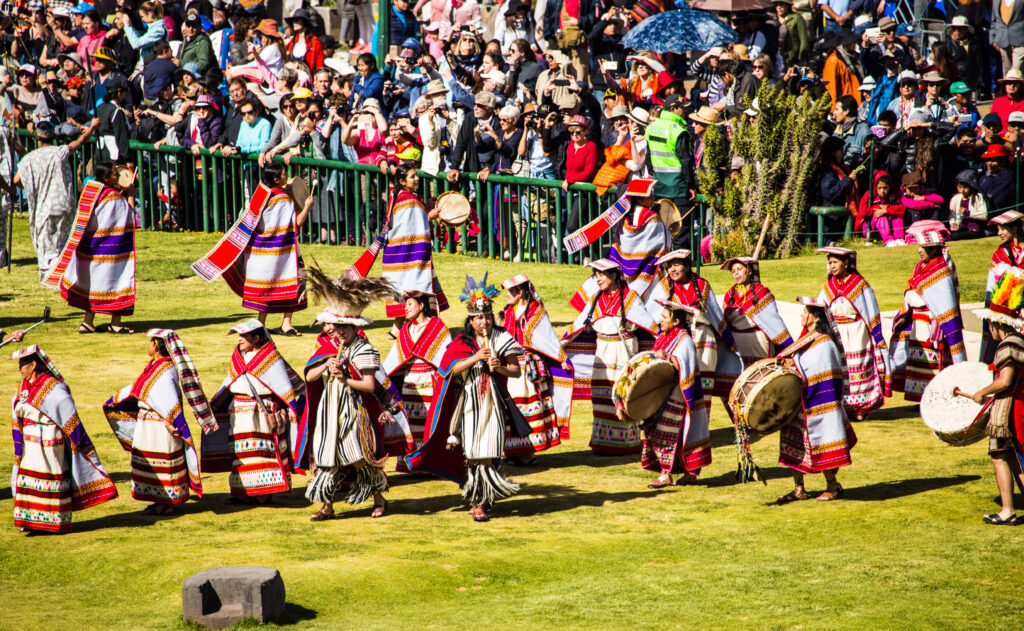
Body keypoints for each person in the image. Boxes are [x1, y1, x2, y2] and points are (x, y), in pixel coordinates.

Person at [405, 275, 525, 522]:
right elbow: (447, 369)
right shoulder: (462, 341)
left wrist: (499, 366)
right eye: (480, 317)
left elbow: (516, 370)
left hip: (493, 402)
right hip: (469, 402)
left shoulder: (502, 338)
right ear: (471, 319)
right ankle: (477, 499)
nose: (485, 321)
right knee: (472, 453)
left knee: (489, 451)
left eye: (488, 316)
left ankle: (482, 500)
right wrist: (475, 357)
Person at [300, 269, 411, 521]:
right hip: (330, 410)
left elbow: (370, 385)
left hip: (354, 411)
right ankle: (327, 507)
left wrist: (345, 379)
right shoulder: (329, 349)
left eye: (344, 327)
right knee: (326, 458)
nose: (339, 332)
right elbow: (308, 377)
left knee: (361, 458)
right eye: (336, 327)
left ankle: (380, 499)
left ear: (353, 327)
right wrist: (325, 366)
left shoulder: (364, 350)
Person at [102, 329, 217, 515]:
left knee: (164, 464)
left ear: (156, 345)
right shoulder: (154, 366)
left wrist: (170, 422)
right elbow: (140, 388)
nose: (148, 345)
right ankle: (157, 500)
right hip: (148, 422)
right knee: (151, 463)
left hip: (161, 425)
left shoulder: (166, 369)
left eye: (150, 342)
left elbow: (169, 399)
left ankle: (169, 502)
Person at [191, 163, 313, 336]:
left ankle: (260, 323)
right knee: (294, 280)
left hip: (260, 252)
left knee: (268, 287)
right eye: (284, 174)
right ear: (276, 179)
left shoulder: (260, 195)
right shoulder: (282, 199)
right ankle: (286, 323)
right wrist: (307, 207)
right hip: (283, 251)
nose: (287, 176)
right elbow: (295, 226)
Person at [10, 345, 118, 533]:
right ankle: (30, 520)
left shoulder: (52, 387)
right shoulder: (23, 388)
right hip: (31, 443)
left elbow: (65, 409)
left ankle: (51, 521)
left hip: (50, 441)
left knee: (49, 479)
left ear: (33, 365)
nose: (19, 369)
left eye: (22, 365)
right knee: (29, 478)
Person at [202, 320, 305, 503]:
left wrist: (291, 408)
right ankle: (242, 492)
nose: (239, 340)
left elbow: (283, 385)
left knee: (261, 451)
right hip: (240, 412)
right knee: (240, 453)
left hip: (261, 413)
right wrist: (214, 405)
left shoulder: (270, 357)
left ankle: (263, 495)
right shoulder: (238, 357)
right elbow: (229, 382)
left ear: (256, 338)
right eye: (239, 336)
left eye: (244, 336)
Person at [562, 259, 658, 454]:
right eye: (595, 274)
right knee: (602, 395)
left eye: (602, 274)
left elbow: (650, 325)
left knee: (624, 394)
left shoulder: (630, 298)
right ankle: (603, 442)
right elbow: (577, 326)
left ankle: (628, 443)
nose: (597, 278)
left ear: (614, 275)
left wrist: (667, 345)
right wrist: (559, 347)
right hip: (603, 355)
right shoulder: (596, 299)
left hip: (624, 353)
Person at [775, 298, 857, 504]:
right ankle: (798, 489)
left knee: (821, 444)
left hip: (819, 404)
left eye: (805, 312)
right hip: (800, 402)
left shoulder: (824, 343)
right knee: (794, 444)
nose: (802, 315)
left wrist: (794, 368)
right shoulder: (806, 339)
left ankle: (833, 486)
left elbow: (820, 372)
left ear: (815, 317)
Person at [41, 162, 136, 334]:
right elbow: (127, 220)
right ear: (106, 178)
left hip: (89, 249)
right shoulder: (114, 198)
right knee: (115, 282)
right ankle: (115, 323)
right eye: (115, 174)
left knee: (93, 286)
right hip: (110, 250)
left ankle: (88, 322)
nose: (118, 176)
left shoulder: (92, 192)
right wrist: (130, 196)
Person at [954, 301, 1024, 526]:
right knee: (1015, 458)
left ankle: (1007, 510)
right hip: (1017, 405)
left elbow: (1005, 381)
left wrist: (981, 392)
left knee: (1000, 456)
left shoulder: (1007, 346)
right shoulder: (1020, 341)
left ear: (997, 324)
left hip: (1009, 409)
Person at [645, 250, 741, 406]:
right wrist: (660, 335)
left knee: (703, 386)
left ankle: (701, 428)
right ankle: (680, 428)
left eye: (676, 265)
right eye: (669, 266)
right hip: (677, 343)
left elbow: (716, 316)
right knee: (676, 386)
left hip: (704, 342)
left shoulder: (702, 285)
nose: (672, 270)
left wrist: (730, 342)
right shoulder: (664, 286)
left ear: (687, 266)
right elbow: (649, 314)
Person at [636, 300, 711, 489]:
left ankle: (667, 474)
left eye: (664, 317)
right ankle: (682, 473)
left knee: (668, 433)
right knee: (665, 433)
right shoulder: (665, 336)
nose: (660, 320)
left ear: (676, 321)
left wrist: (668, 358)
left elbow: (684, 365)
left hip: (678, 396)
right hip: (664, 394)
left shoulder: (684, 339)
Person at [13, 118, 99, 281]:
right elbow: (80, 141)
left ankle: (52, 276)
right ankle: (65, 274)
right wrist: (92, 127)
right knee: (64, 244)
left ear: (37, 138)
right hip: (64, 203)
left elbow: (17, 180)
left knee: (48, 248)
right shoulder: (59, 152)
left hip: (45, 209)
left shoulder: (29, 159)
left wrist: (31, 187)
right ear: (52, 137)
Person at [500, 275, 573, 462]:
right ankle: (515, 450)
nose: (507, 295)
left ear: (522, 291)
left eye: (511, 291)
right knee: (513, 404)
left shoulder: (536, 312)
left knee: (527, 405)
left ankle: (528, 451)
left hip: (528, 367)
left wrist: (561, 358)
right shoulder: (508, 312)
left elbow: (548, 338)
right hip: (512, 364)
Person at [568, 178, 671, 312]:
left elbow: (623, 242)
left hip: (620, 265)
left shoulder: (624, 216)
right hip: (643, 271)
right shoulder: (652, 218)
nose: (653, 196)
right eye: (649, 195)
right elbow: (661, 239)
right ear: (639, 199)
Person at [890, 231, 967, 401]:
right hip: (917, 322)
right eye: (918, 246)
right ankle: (919, 398)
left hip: (932, 324)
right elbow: (912, 290)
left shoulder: (941, 270)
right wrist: (905, 315)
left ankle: (933, 399)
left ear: (933, 248)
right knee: (919, 361)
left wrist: (940, 325)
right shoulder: (919, 267)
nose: (919, 250)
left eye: (923, 247)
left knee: (932, 364)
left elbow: (945, 304)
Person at [815, 248, 891, 418]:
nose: (831, 266)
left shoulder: (859, 284)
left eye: (835, 262)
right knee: (843, 370)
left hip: (857, 333)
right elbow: (820, 307)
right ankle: (845, 406)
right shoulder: (830, 286)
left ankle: (861, 408)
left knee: (858, 367)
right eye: (830, 263)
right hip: (838, 333)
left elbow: (871, 310)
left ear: (846, 263)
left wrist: (877, 335)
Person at [378, 164, 449, 330]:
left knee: (410, 291)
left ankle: (397, 331)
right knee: (415, 290)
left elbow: (410, 224)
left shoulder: (401, 196)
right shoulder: (408, 200)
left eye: (416, 175)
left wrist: (426, 210)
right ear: (402, 181)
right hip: (409, 257)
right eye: (412, 176)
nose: (416, 178)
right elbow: (412, 227)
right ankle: (418, 328)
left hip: (402, 256)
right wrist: (429, 216)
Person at [382, 291, 452, 452]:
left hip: (430, 381)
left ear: (421, 305)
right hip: (409, 383)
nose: (405, 308)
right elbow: (395, 358)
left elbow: (446, 356)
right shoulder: (405, 330)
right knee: (412, 423)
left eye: (410, 304)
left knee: (430, 421)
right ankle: (412, 460)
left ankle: (429, 459)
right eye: (405, 305)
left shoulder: (437, 327)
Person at [720, 257, 793, 365]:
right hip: (737, 345)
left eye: (739, 269)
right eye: (733, 271)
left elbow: (773, 321)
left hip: (758, 344)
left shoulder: (761, 292)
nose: (736, 274)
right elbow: (724, 320)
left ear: (749, 271)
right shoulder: (730, 294)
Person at [644, 94, 695, 243]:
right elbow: (686, 160)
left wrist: (656, 176)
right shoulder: (678, 130)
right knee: (680, 229)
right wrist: (690, 185)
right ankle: (682, 265)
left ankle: (665, 265)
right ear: (673, 109)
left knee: (662, 230)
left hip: (660, 185)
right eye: (682, 109)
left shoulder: (652, 128)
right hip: (678, 187)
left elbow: (649, 158)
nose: (684, 112)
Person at [982, 211, 1024, 363]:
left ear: (1014, 229)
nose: (999, 233)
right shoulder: (999, 254)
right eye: (998, 229)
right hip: (1006, 312)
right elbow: (991, 286)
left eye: (1003, 229)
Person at [857, 171, 906, 246]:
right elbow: (863, 212)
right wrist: (878, 207)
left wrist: (886, 210)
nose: (882, 191)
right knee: (881, 217)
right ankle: (888, 241)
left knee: (897, 216)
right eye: (879, 188)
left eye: (885, 188)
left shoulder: (892, 196)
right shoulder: (869, 195)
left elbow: (901, 209)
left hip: (886, 226)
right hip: (869, 227)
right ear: (875, 187)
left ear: (890, 187)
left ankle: (899, 239)